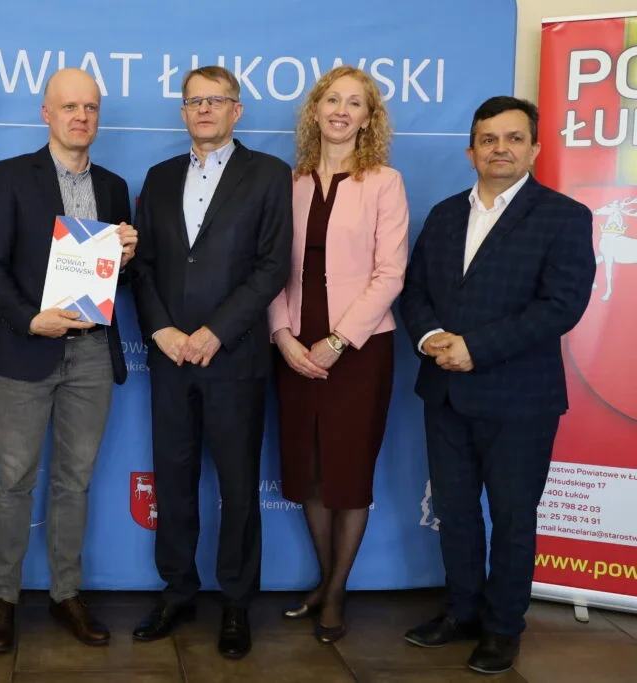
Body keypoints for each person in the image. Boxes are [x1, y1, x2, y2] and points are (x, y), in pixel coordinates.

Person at [400, 96, 595, 675]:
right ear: (471, 152)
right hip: (445, 391)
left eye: (513, 138)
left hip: (519, 398)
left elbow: (561, 305)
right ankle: (462, 611)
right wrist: (431, 337)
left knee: (512, 517)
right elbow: (415, 292)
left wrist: (475, 348)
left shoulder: (564, 216)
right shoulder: (443, 215)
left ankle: (503, 627)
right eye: (488, 139)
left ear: (534, 149)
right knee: (455, 511)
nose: (500, 149)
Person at [129, 65, 292, 659]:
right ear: (183, 112)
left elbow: (272, 266)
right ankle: (177, 592)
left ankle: (236, 603)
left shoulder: (269, 174)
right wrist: (162, 330)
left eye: (215, 100)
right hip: (171, 356)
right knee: (173, 479)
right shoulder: (159, 177)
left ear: (236, 110)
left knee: (238, 486)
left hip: (234, 358)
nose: (204, 110)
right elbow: (142, 266)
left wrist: (216, 332)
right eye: (194, 101)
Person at [0, 68, 137, 654]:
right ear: (47, 113)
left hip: (92, 352)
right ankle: (3, 598)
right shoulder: (13, 175)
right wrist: (29, 319)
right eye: (69, 107)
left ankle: (67, 593)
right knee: (14, 481)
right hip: (27, 348)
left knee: (75, 481)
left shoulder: (114, 186)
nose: (81, 117)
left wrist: (127, 258)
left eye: (90, 107)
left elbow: (115, 281)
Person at [267, 65, 409, 643]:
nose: (341, 111)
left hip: (361, 349)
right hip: (295, 346)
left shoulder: (385, 182)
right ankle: (327, 583)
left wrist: (337, 340)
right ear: (315, 111)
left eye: (355, 103)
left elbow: (390, 274)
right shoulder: (290, 183)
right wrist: (282, 335)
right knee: (310, 471)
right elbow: (271, 268)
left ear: (369, 118)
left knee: (348, 472)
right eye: (332, 100)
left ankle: (334, 593)